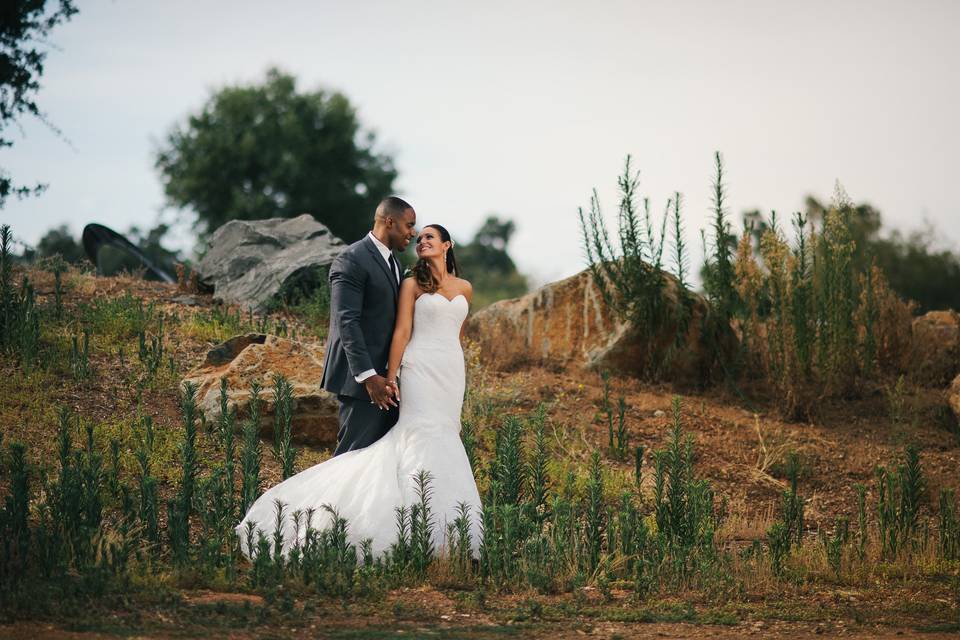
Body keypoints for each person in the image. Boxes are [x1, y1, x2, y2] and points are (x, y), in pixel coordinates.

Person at [236, 223, 482, 560]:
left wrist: (455, 367)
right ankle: (406, 530)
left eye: (429, 237)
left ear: (447, 245)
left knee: (446, 435)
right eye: (418, 235)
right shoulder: (412, 283)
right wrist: (391, 375)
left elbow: (457, 335)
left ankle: (449, 537)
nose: (421, 240)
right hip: (419, 367)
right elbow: (402, 331)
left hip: (451, 371)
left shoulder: (465, 288)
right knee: (420, 434)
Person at [320, 196, 416, 456]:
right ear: (389, 221)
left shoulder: (394, 263)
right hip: (362, 382)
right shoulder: (352, 259)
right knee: (351, 457)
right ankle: (330, 499)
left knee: (377, 462)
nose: (413, 232)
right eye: (409, 225)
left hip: (386, 382)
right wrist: (368, 376)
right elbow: (346, 321)